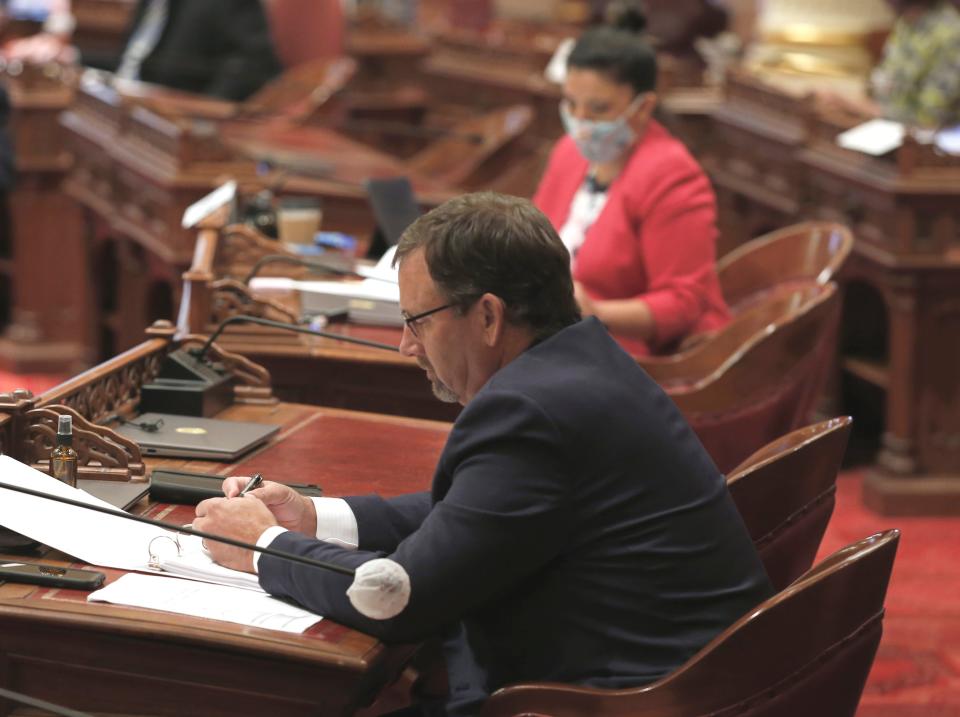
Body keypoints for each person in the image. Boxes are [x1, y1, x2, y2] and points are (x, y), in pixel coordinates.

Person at [193, 192, 773, 716]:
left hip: (605, 704)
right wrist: (315, 517)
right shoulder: (583, 363)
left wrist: (261, 546)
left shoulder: (530, 411)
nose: (405, 346)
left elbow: (397, 597)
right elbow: (478, 515)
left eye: (417, 321)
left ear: (490, 316)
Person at [533, 7, 729, 356]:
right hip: (554, 335)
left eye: (598, 109)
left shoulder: (673, 175)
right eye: (571, 103)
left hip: (623, 353)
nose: (580, 122)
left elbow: (684, 303)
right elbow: (535, 241)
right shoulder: (568, 152)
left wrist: (594, 312)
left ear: (642, 107)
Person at [2, 0, 282, 101]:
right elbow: (134, 65)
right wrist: (70, 56)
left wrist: (201, 121)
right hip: (129, 110)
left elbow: (255, 64)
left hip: (171, 121)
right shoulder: (154, 3)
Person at [816, 0, 960, 128]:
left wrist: (858, 107)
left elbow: (929, 118)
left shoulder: (951, 35)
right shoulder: (906, 22)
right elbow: (884, 85)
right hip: (885, 129)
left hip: (926, 146)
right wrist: (849, 105)